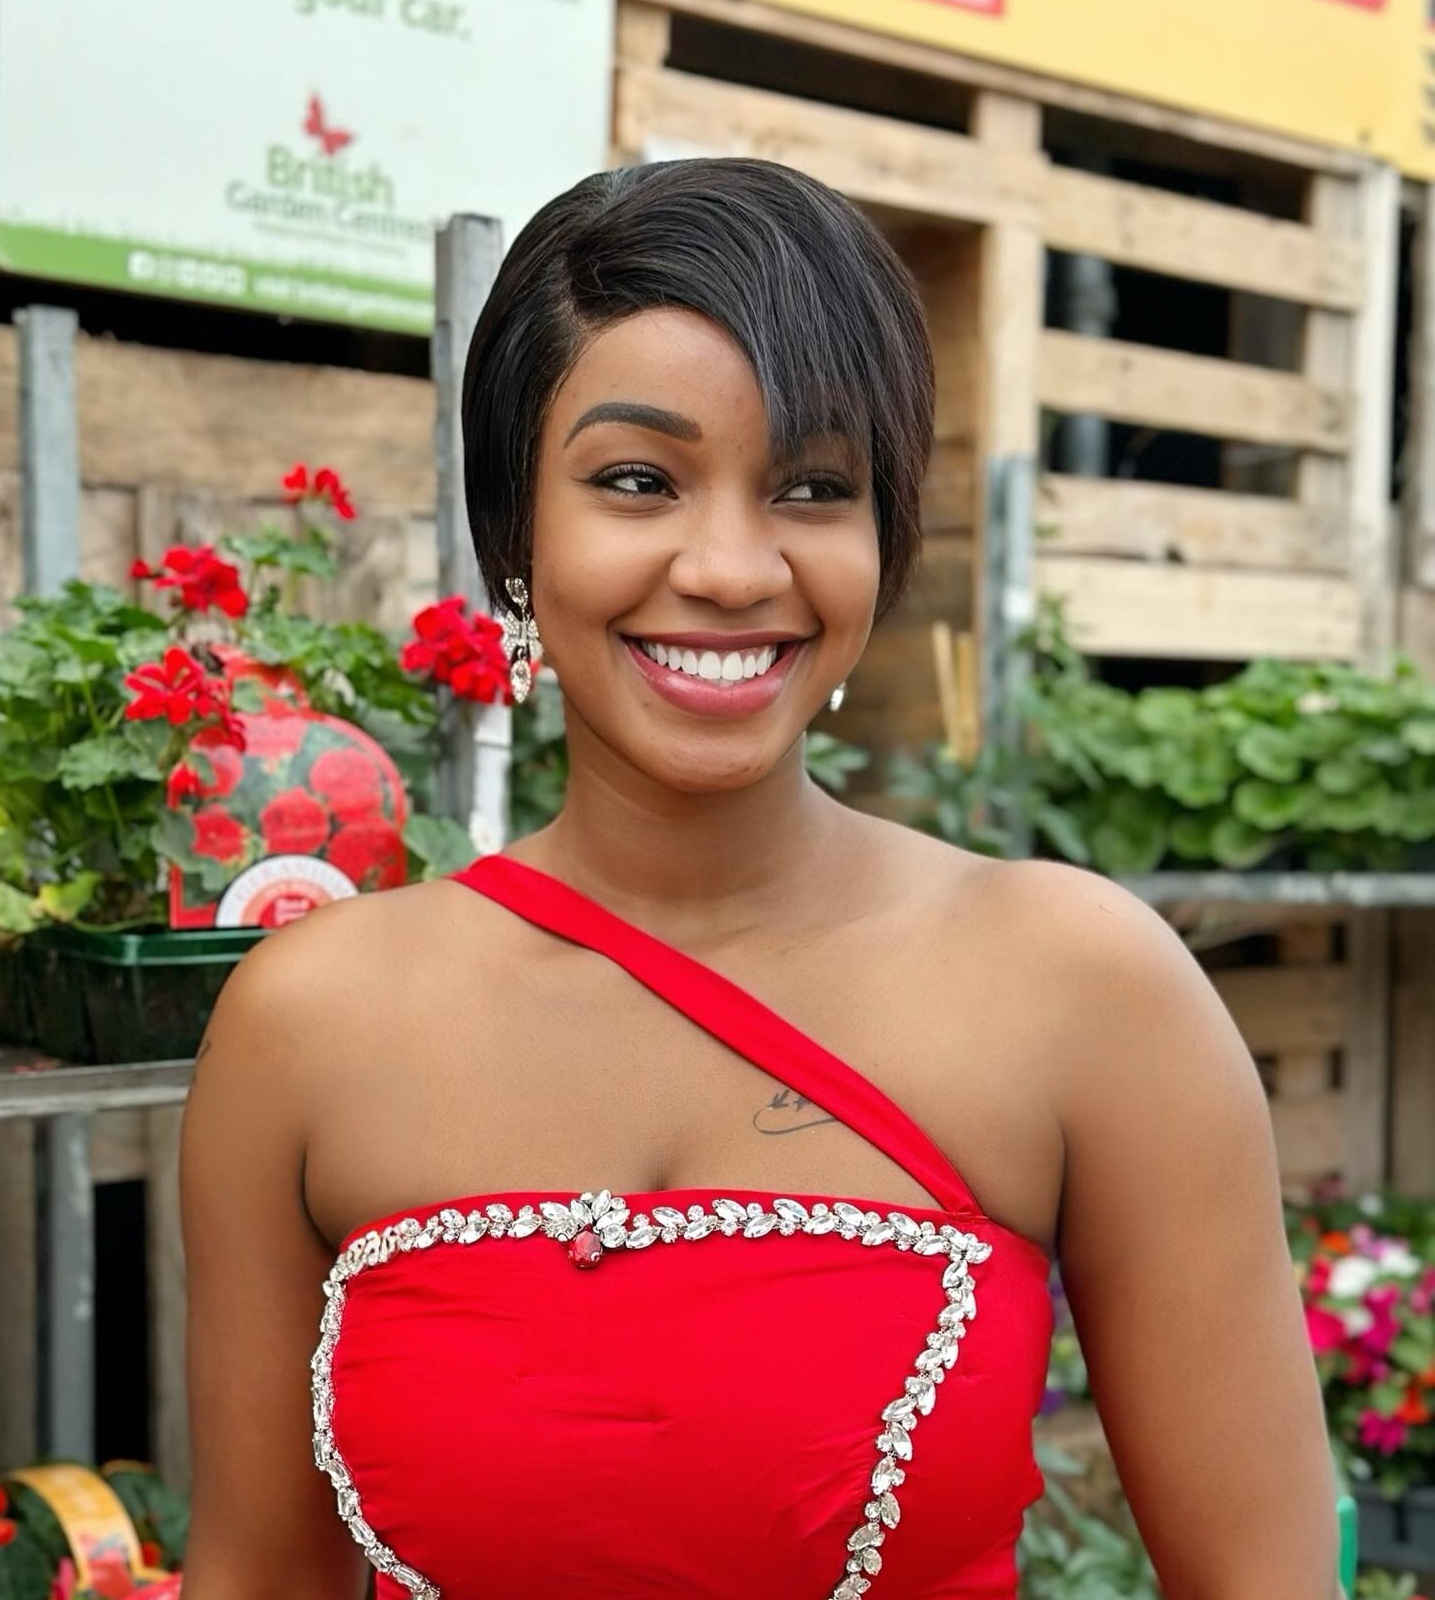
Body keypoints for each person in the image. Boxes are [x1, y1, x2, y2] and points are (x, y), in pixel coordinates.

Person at [180, 158, 1336, 1600]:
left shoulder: (1082, 988)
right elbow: (255, 1573)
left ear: (883, 536)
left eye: (813, 486)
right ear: (513, 537)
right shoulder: (310, 1025)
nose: (731, 567)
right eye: (637, 481)